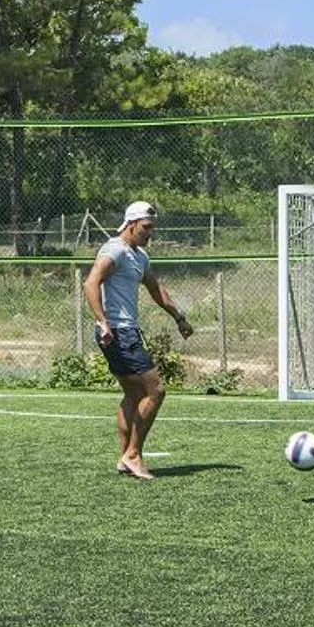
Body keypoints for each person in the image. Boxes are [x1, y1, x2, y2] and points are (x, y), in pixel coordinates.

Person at [84, 200, 194, 480]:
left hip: (126, 332)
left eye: (152, 227)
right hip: (118, 332)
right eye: (146, 227)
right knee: (155, 391)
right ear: (131, 224)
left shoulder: (139, 256)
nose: (150, 233)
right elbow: (91, 283)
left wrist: (179, 318)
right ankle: (133, 455)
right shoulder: (114, 250)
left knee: (134, 394)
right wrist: (103, 321)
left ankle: (125, 458)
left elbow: (156, 290)